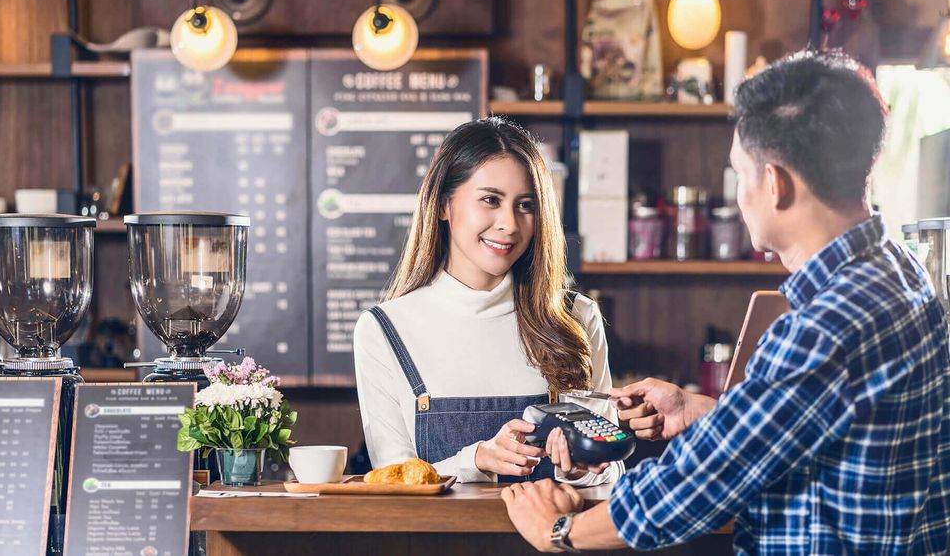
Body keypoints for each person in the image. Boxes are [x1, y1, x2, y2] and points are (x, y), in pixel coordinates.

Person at [502, 50, 950, 554]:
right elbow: (828, 428)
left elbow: (695, 486)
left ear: (775, 184)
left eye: (740, 174)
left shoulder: (821, 327)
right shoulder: (904, 272)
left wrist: (558, 532)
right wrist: (704, 410)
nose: (738, 196)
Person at [353, 117, 622, 485]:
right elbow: (394, 481)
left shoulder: (575, 317)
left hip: (550, 540)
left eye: (525, 205)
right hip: (438, 543)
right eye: (490, 200)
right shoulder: (385, 329)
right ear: (444, 205)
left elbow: (611, 473)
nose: (509, 224)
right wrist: (475, 459)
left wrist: (577, 471)